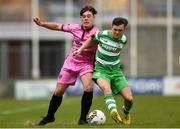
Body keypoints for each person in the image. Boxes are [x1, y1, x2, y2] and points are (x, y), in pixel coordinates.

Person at [33, 5, 99, 125]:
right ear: (81, 18)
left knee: (88, 87)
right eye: (83, 16)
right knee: (58, 92)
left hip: (86, 64)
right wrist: (42, 24)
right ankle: (49, 116)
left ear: (93, 18)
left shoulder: (97, 33)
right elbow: (58, 26)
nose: (86, 19)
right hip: (71, 62)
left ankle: (82, 119)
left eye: (89, 16)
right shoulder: (75, 27)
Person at [73, 17, 133, 125]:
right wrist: (80, 49)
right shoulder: (102, 34)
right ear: (111, 27)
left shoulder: (124, 39)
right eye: (115, 29)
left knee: (129, 99)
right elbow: (91, 39)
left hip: (116, 71)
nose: (117, 32)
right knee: (106, 88)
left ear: (124, 30)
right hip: (101, 70)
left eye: (120, 30)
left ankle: (126, 113)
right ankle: (113, 112)